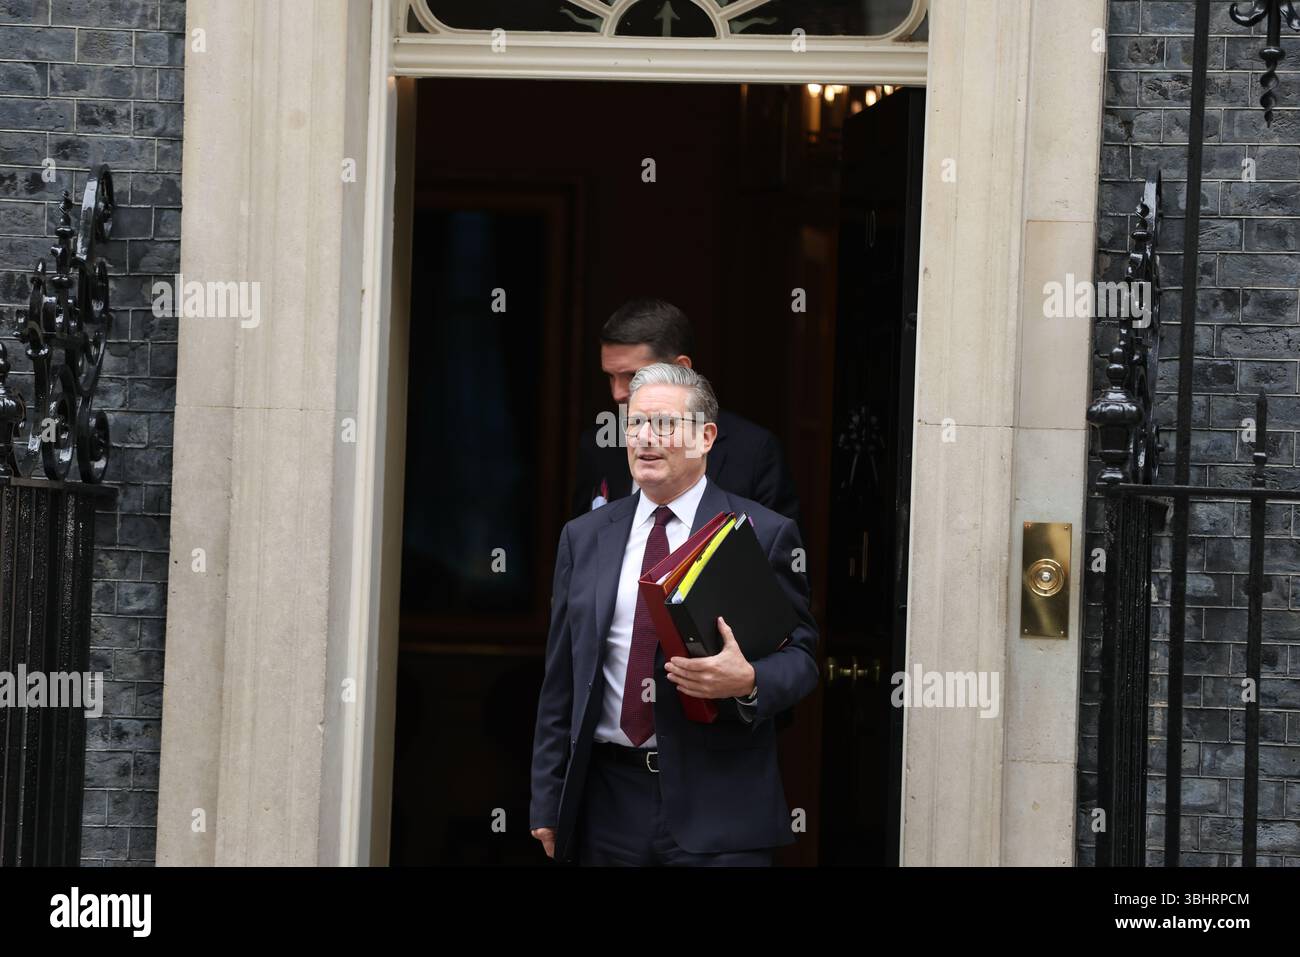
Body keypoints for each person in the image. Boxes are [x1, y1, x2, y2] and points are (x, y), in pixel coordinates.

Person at [531, 363, 819, 865]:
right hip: (606, 800)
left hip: (721, 806)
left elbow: (802, 659)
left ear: (706, 436)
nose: (645, 438)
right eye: (635, 423)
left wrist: (747, 680)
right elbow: (561, 678)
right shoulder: (585, 536)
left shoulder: (760, 531)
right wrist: (548, 801)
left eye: (664, 425)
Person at [572, 298, 801, 529]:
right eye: (610, 376)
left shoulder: (752, 453)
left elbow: (768, 554)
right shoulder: (598, 446)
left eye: (633, 376)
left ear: (681, 367)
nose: (618, 393)